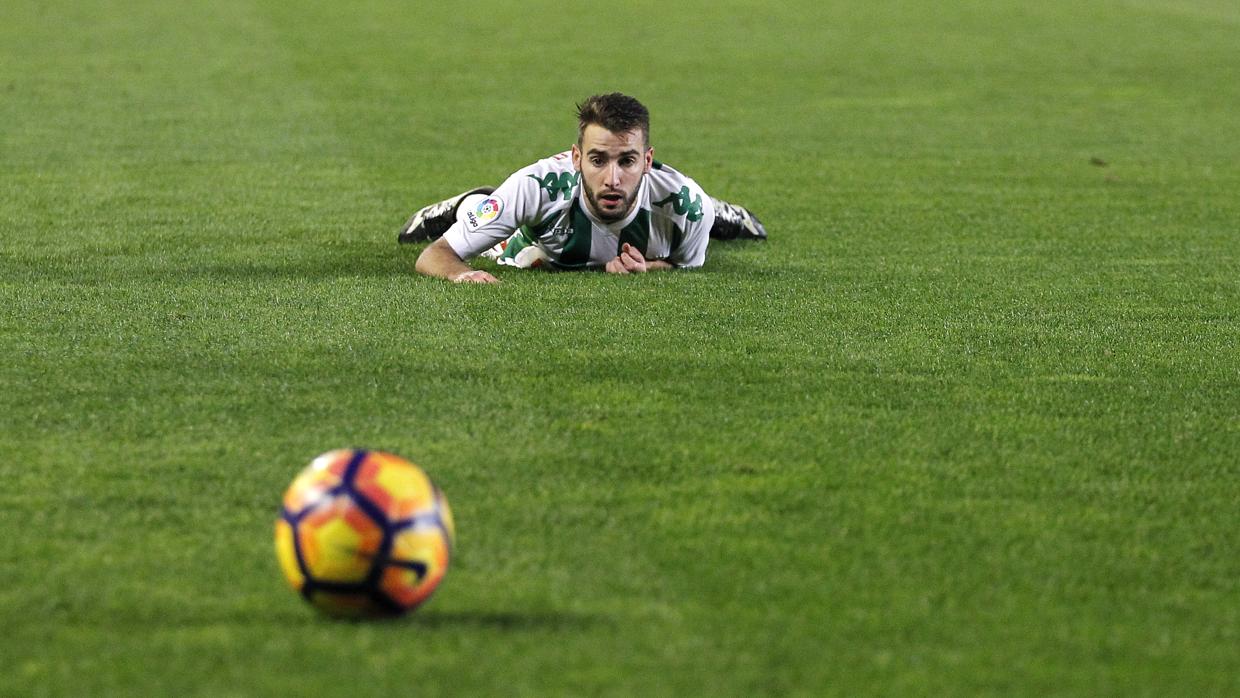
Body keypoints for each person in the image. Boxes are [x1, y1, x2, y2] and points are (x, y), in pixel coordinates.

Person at [398, 93, 766, 283]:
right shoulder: (538, 185)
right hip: (536, 240)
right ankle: (467, 203)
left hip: (684, 211)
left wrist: (650, 267)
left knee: (701, 214)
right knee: (507, 249)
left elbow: (684, 267)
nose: (611, 179)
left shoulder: (688, 206)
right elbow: (434, 255)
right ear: (576, 158)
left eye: (627, 161)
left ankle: (726, 213)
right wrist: (461, 274)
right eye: (597, 160)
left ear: (648, 161)